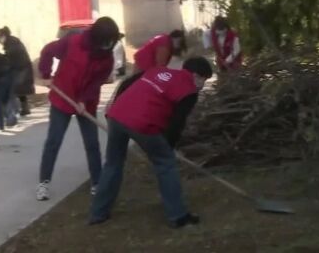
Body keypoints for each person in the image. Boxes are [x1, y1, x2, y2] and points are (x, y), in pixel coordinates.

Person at [89, 56, 213, 228]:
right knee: (166, 164)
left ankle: (98, 213)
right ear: (196, 75)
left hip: (117, 115)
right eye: (203, 80)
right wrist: (169, 147)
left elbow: (126, 84)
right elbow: (177, 123)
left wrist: (116, 106)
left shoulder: (156, 70)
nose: (202, 85)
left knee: (113, 164)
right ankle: (178, 216)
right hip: (142, 122)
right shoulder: (189, 90)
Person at [37, 17, 119, 201]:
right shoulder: (72, 42)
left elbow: (97, 81)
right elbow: (48, 51)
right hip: (62, 98)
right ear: (97, 38)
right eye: (107, 41)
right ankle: (44, 183)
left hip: (87, 103)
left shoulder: (107, 58)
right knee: (54, 141)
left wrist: (84, 100)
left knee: (92, 143)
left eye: (112, 42)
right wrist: (45, 74)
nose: (110, 45)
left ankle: (97, 183)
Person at [0, 27, 35, 116]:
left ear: (2, 36)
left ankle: (12, 111)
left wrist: (4, 57)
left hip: (21, 67)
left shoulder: (11, 41)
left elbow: (13, 52)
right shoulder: (11, 41)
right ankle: (24, 108)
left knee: (14, 88)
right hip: (20, 67)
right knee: (19, 89)